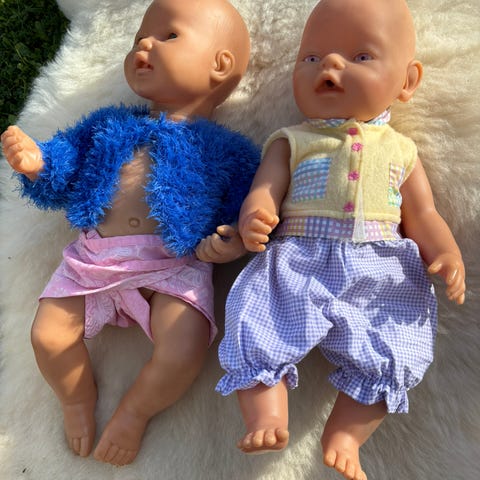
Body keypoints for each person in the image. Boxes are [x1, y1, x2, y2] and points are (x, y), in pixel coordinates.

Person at [214, 1, 466, 479]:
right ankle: (266, 415)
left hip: (381, 269)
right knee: (261, 321)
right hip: (298, 260)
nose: (329, 64)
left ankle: (346, 434)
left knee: (394, 341)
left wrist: (446, 252)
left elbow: (423, 214)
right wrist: (256, 216)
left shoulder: (402, 151)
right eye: (311, 57)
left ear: (407, 81)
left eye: (360, 56)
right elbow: (265, 190)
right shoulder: (292, 140)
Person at [1, 0, 258, 467]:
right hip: (94, 258)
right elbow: (67, 160)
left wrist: (234, 239)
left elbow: (247, 202)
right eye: (140, 36)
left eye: (168, 35)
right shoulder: (109, 125)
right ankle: (76, 397)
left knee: (184, 347)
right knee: (48, 336)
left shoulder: (225, 150)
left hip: (173, 266)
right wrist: (39, 163)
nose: (144, 44)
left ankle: (135, 411)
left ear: (220, 65)